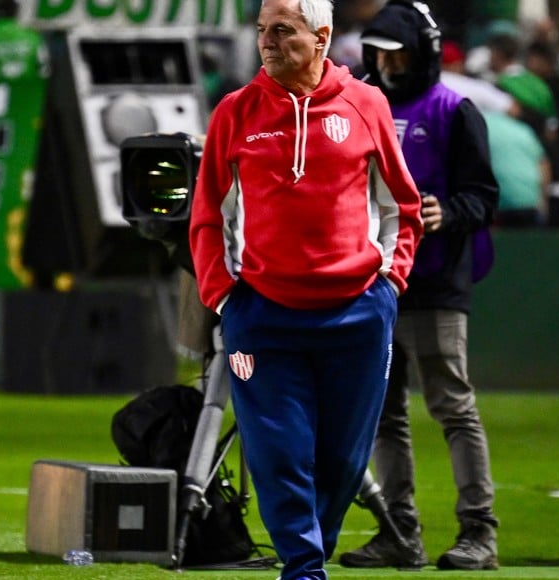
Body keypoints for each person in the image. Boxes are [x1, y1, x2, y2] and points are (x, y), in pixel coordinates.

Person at [187, 0, 424, 576]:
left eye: (281, 30)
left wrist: (389, 285)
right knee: (276, 456)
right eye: (262, 30)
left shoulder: (367, 104)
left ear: (321, 37)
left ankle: (305, 556)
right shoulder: (233, 112)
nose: (266, 42)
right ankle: (303, 569)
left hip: (358, 317)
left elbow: (403, 206)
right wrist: (224, 297)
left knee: (342, 461)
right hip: (262, 319)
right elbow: (206, 215)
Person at [338, 0, 500, 571]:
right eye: (378, 53)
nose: (386, 63)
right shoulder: (360, 105)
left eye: (396, 53)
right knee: (382, 414)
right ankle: (399, 533)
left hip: (433, 283)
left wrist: (447, 212)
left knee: (451, 406)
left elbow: (484, 196)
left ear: (423, 52)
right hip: (374, 282)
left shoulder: (454, 110)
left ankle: (479, 532)